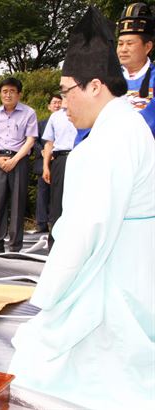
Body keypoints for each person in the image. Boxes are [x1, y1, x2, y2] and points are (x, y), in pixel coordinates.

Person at [9, 7, 155, 409]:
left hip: (114, 265)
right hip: (132, 257)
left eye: (66, 91)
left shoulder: (105, 143)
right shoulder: (127, 125)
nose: (62, 105)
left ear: (94, 86)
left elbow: (85, 230)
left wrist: (50, 293)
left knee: (50, 360)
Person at [0, 78, 38, 252]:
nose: (8, 95)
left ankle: (15, 245)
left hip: (19, 160)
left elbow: (30, 140)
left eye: (12, 91)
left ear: (19, 94)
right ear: (0, 94)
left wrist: (15, 160)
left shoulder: (29, 113)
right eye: (4, 91)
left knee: (17, 202)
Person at [41, 99, 77, 249]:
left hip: (79, 156)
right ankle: (54, 245)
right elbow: (49, 143)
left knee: (78, 201)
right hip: (60, 159)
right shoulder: (55, 116)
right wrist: (46, 167)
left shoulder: (84, 111)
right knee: (57, 202)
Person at [117, 2, 155, 136]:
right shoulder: (106, 79)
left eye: (130, 43)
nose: (123, 49)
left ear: (148, 47)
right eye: (120, 44)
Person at [33, 95, 62, 233]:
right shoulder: (41, 124)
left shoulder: (68, 121)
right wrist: (43, 151)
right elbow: (34, 141)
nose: (57, 105)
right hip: (43, 163)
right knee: (42, 194)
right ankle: (41, 222)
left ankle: (56, 223)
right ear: (49, 106)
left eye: (59, 102)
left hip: (59, 161)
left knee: (58, 194)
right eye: (54, 103)